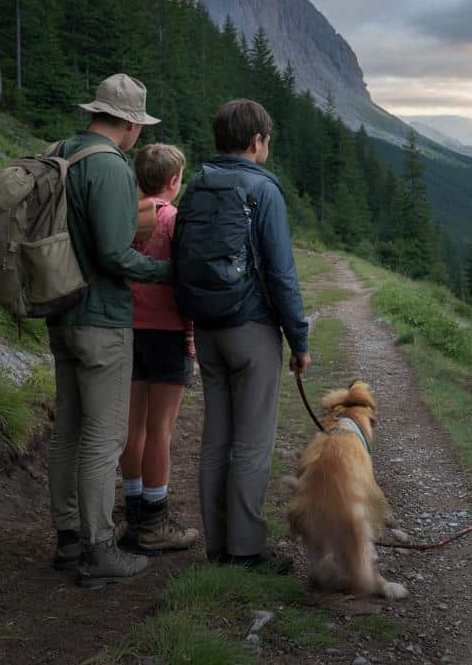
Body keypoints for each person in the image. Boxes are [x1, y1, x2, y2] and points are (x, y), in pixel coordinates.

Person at [48, 73, 171, 588]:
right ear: (129, 124)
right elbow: (114, 255)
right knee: (104, 435)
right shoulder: (111, 168)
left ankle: (69, 537)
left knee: (69, 431)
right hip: (101, 319)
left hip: (60, 311)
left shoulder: (61, 152)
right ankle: (100, 549)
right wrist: (169, 272)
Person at [182, 99, 310, 572]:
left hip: (209, 330)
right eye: (267, 138)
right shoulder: (263, 190)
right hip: (252, 330)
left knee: (216, 438)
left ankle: (217, 547)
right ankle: (246, 551)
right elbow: (281, 273)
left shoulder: (196, 185)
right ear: (257, 141)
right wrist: (299, 340)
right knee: (253, 442)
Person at [119, 143, 200, 553]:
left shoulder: (126, 216)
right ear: (174, 181)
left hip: (125, 332)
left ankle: (132, 516)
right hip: (166, 334)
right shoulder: (172, 220)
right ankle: (155, 522)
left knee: (132, 429)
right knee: (160, 431)